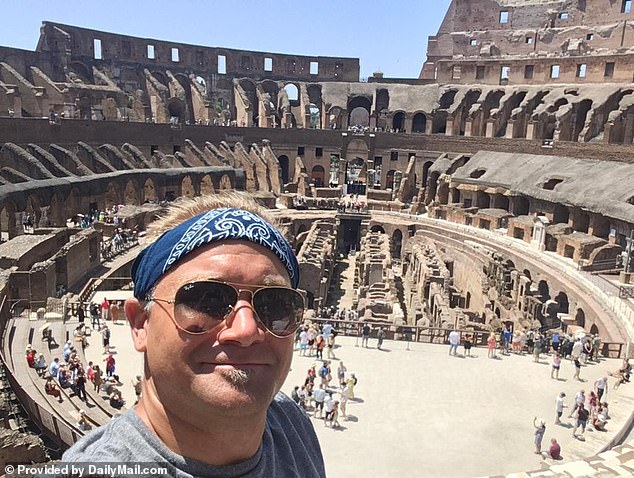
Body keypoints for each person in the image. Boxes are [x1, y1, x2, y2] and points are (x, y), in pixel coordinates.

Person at [59, 193, 325, 477]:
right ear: (141, 324)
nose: (247, 330)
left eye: (275, 304)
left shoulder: (291, 424)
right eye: (205, 301)